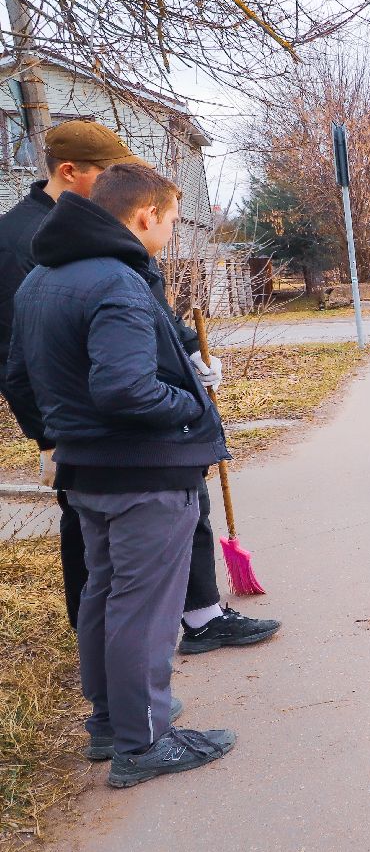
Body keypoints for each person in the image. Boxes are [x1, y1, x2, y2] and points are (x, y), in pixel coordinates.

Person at [0, 121, 277, 654]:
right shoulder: (23, 242)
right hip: (93, 425)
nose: (120, 182)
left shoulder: (115, 232)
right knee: (97, 541)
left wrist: (189, 353)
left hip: (148, 416)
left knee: (186, 502)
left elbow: (150, 306)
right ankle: (104, 645)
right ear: (70, 173)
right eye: (105, 173)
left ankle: (200, 614)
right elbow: (20, 353)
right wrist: (47, 436)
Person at [5, 163, 237, 786]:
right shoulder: (120, 283)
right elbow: (125, 387)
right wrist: (194, 405)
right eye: (168, 220)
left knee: (104, 596)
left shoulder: (40, 281)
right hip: (144, 475)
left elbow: (19, 379)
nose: (168, 231)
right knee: (143, 608)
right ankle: (144, 741)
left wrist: (62, 431)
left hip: (84, 470)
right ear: (144, 218)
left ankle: (114, 721)